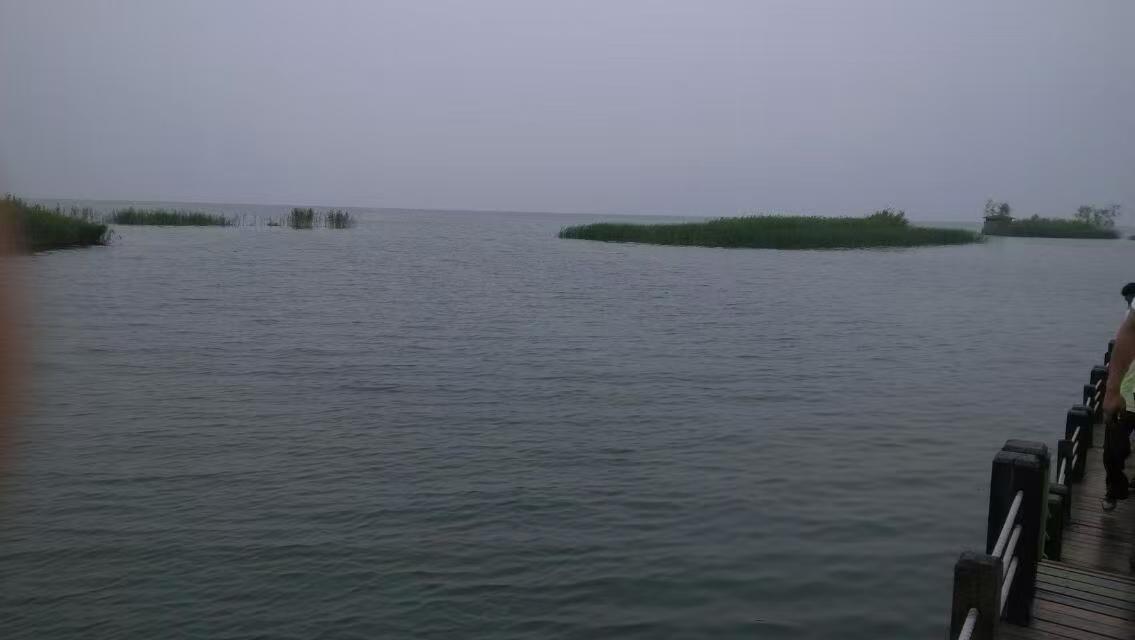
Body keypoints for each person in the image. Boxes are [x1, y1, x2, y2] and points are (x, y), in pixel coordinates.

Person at [1101, 284, 1135, 510]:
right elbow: (1128, 334)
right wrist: (1112, 391)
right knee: (1113, 449)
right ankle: (1115, 488)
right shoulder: (1130, 316)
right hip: (1129, 392)